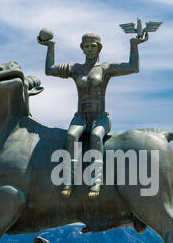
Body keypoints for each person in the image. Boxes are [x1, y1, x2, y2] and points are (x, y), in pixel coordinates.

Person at [37, 30, 148, 198]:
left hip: (100, 118)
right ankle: (68, 182)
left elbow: (133, 67)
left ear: (99, 48)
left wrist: (134, 45)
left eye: (93, 46)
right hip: (81, 117)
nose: (89, 49)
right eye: (86, 46)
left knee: (96, 136)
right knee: (70, 136)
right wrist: (50, 47)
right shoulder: (76, 69)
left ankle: (96, 182)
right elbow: (50, 70)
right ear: (82, 49)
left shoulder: (105, 68)